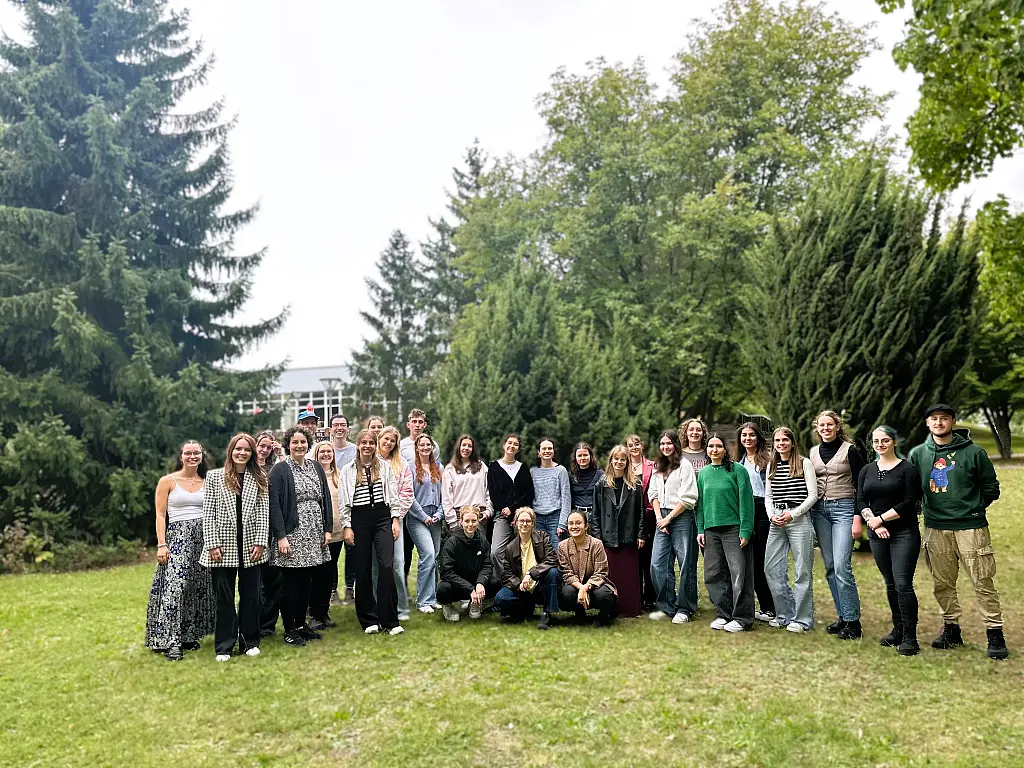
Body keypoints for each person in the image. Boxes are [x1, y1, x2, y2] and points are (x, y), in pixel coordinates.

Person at [909, 404, 1008, 660]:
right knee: (942, 583)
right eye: (934, 419)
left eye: (944, 418)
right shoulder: (918, 454)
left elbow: (991, 488)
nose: (939, 423)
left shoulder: (974, 453)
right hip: (935, 528)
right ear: (927, 423)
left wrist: (971, 509)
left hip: (971, 528)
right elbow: (912, 490)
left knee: (982, 580)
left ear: (953, 421)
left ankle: (994, 633)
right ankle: (951, 629)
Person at [201, 433, 270, 661]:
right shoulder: (214, 477)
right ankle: (224, 646)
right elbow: (208, 513)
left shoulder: (259, 477)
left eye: (247, 450)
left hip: (251, 546)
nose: (242, 453)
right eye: (238, 449)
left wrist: (260, 541)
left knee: (251, 596)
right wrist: (212, 543)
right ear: (231, 451)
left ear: (252, 453)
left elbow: (263, 512)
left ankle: (250, 641)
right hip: (222, 546)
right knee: (224, 598)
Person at [145, 441, 215, 661]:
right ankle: (170, 640)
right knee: (175, 587)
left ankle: (188, 635)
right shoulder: (168, 481)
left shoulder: (208, 482)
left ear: (202, 456)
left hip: (203, 539)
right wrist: (161, 544)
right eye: (188, 453)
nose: (192, 457)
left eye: (196, 453)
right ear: (181, 456)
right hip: (178, 539)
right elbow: (160, 515)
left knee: (197, 586)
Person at [857, 426, 923, 656]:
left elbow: (909, 502)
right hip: (878, 533)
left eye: (885, 440)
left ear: (894, 442)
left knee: (903, 583)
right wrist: (874, 522)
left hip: (904, 532)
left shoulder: (908, 469)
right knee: (890, 583)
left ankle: (910, 637)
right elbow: (860, 499)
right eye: (876, 441)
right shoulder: (867, 470)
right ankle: (898, 629)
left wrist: (881, 519)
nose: (880, 444)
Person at [268, 425, 332, 647]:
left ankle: (301, 624)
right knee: (291, 583)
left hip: (313, 531)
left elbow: (325, 498)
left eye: (303, 442)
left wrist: (327, 528)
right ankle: (289, 630)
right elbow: (274, 505)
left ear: (308, 444)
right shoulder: (280, 469)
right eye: (294, 442)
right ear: (288, 445)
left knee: (307, 581)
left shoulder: (316, 467)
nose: (299, 446)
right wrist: (281, 536)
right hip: (292, 533)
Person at [339, 429, 403, 636]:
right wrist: (347, 526)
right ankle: (369, 619)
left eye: (371, 443)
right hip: (359, 519)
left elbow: (393, 494)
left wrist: (395, 519)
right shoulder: (348, 470)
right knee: (362, 569)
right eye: (364, 442)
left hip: (383, 518)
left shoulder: (384, 467)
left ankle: (390, 620)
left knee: (386, 565)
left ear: (375, 446)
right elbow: (343, 501)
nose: (367, 446)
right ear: (358, 445)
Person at [809, 410, 864, 640]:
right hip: (820, 512)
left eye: (829, 424)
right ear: (817, 428)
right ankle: (843, 616)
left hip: (844, 509)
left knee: (842, 565)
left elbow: (862, 484)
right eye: (822, 425)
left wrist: (858, 516)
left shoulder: (850, 450)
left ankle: (853, 622)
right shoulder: (813, 452)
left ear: (837, 426)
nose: (826, 428)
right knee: (831, 566)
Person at [696, 434, 755, 632]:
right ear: (707, 450)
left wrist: (745, 530)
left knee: (739, 573)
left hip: (734, 529)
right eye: (711, 446)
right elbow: (700, 505)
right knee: (713, 574)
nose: (714, 450)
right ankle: (724, 614)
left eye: (719, 446)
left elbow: (746, 502)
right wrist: (700, 529)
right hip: (711, 531)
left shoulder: (738, 470)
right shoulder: (703, 473)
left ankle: (742, 618)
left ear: (725, 449)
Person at [764, 427, 818, 633]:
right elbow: (769, 496)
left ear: (792, 442)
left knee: (802, 570)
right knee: (772, 568)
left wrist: (793, 514)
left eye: (785, 440)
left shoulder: (804, 463)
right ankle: (784, 615)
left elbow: (812, 495)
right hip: (776, 519)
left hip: (798, 519)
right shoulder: (772, 464)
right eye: (777, 441)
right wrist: (771, 515)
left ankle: (802, 620)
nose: (781, 444)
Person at [647, 429, 699, 624]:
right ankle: (666, 606)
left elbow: (689, 497)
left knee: (686, 563)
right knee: (657, 564)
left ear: (676, 445)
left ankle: (685, 608)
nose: (665, 447)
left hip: (681, 516)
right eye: (662, 444)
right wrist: (660, 518)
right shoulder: (658, 466)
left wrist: (669, 518)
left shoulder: (685, 465)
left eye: (669, 443)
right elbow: (653, 493)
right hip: (661, 516)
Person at [591, 445, 647, 617]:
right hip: (608, 537)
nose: (619, 462)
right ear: (611, 460)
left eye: (623, 459)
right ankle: (611, 609)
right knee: (611, 576)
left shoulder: (635, 484)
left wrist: (641, 534)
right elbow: (595, 514)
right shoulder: (601, 484)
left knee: (629, 576)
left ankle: (631, 609)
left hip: (628, 536)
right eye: (616, 459)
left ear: (627, 462)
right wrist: (597, 537)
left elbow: (641, 511)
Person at [734, 422, 776, 623]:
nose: (748, 438)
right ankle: (765, 607)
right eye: (744, 435)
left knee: (766, 559)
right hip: (744, 510)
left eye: (751, 435)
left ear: (758, 438)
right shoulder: (737, 462)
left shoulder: (768, 459)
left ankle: (775, 606)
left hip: (763, 510)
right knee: (752, 562)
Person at [496, 507, 560, 629]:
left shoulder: (542, 537)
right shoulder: (510, 547)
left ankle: (548, 613)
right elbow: (507, 574)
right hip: (522, 588)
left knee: (553, 572)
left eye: (528, 521)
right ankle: (524, 610)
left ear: (533, 523)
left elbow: (552, 559)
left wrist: (531, 574)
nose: (524, 524)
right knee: (501, 598)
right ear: (516, 522)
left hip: (540, 585)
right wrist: (518, 584)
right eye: (521, 521)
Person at [375, 425, 414, 621]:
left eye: (392, 440)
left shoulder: (402, 463)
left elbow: (407, 493)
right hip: (373, 518)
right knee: (376, 566)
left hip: (394, 519)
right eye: (386, 439)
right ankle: (377, 607)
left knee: (397, 564)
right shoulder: (370, 461)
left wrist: (396, 517)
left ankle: (401, 607)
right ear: (379, 439)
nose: (388, 443)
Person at [437, 506, 501, 621]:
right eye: (467, 521)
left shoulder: (482, 541)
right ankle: (448, 606)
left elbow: (487, 565)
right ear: (461, 522)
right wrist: (470, 589)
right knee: (443, 589)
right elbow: (446, 572)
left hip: (475, 582)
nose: (470, 524)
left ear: (478, 521)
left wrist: (480, 583)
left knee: (495, 583)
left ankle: (475, 603)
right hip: (457, 585)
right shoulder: (451, 542)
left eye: (474, 521)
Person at [307, 441, 346, 630]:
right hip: (319, 533)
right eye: (322, 451)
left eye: (329, 451)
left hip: (337, 533)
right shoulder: (313, 476)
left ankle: (324, 612)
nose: (326, 454)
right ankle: (313, 614)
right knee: (317, 574)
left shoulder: (339, 475)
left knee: (329, 574)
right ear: (316, 454)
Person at [558, 510, 618, 626]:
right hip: (576, 586)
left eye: (578, 523)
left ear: (586, 526)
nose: (574, 526)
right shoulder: (562, 546)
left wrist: (586, 587)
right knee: (566, 592)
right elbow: (566, 573)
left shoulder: (596, 544)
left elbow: (601, 572)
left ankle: (603, 616)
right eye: (571, 523)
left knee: (604, 594)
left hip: (596, 586)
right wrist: (581, 588)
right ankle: (580, 615)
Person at [408, 433, 444, 613]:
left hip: (435, 517)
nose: (425, 447)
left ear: (432, 447)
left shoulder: (438, 467)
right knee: (428, 554)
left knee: (434, 557)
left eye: (428, 445)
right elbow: (408, 496)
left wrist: (439, 514)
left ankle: (432, 598)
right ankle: (423, 601)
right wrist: (423, 516)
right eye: (421, 445)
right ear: (416, 447)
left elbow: (446, 495)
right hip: (417, 518)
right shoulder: (410, 467)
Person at [487, 433, 535, 559]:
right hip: (503, 515)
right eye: (509, 443)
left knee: (524, 552)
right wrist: (505, 510)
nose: (512, 446)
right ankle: (501, 573)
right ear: (504, 445)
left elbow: (529, 494)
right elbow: (494, 494)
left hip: (522, 515)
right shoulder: (494, 467)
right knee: (496, 552)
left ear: (518, 449)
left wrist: (513, 509)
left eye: (516, 444)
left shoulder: (523, 468)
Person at [255, 431, 284, 637]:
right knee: (255, 582)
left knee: (274, 580)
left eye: (268, 447)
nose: (264, 450)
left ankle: (267, 625)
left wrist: (281, 453)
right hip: (253, 530)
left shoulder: (274, 468)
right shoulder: (246, 468)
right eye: (261, 446)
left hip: (272, 530)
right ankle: (251, 621)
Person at [626, 434, 658, 611]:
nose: (634, 447)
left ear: (642, 445)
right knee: (634, 559)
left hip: (649, 516)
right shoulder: (624, 466)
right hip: (630, 518)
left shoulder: (652, 466)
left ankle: (650, 597)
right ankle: (635, 596)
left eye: (636, 444)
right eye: (630, 445)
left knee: (649, 558)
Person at [442, 434, 492, 534]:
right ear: (459, 447)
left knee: (479, 544)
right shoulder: (450, 469)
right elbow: (446, 497)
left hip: (479, 515)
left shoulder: (482, 467)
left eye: (470, 446)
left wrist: (488, 511)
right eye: (464, 445)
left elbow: (489, 491)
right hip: (458, 516)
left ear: (473, 449)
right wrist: (452, 521)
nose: (466, 448)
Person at [530, 438, 571, 547]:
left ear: (553, 452)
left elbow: (566, 498)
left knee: (557, 551)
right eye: (544, 449)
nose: (547, 451)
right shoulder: (533, 472)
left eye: (550, 448)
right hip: (537, 517)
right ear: (539, 452)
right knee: (540, 551)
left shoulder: (561, 470)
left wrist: (562, 523)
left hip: (555, 518)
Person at [565, 442, 604, 538]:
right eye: (579, 455)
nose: (582, 458)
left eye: (585, 455)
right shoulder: (571, 475)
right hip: (577, 516)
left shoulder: (600, 474)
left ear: (590, 456)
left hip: (595, 517)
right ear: (575, 457)